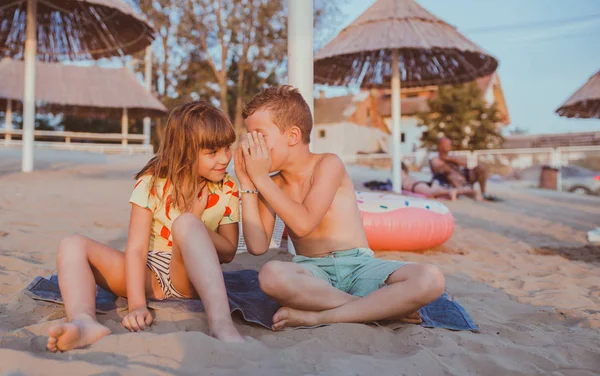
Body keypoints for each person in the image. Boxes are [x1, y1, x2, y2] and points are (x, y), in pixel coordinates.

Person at [235, 85, 445, 330]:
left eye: (259, 136)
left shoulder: (328, 164)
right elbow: (258, 246)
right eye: (249, 137)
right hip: (313, 274)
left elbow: (303, 225)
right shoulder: (272, 184)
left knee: (431, 278)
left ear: (292, 136)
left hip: (358, 265)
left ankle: (321, 317)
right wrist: (249, 184)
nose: (251, 145)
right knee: (270, 275)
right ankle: (371, 308)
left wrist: (260, 179)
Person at [47, 101, 245, 352]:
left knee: (185, 223)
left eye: (227, 148)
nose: (224, 158)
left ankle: (221, 324)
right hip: (149, 275)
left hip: (188, 276)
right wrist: (137, 305)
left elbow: (228, 252)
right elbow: (137, 248)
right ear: (185, 151)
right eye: (213, 152)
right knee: (71, 243)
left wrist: (194, 219)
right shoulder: (152, 182)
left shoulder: (226, 188)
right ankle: (84, 322)